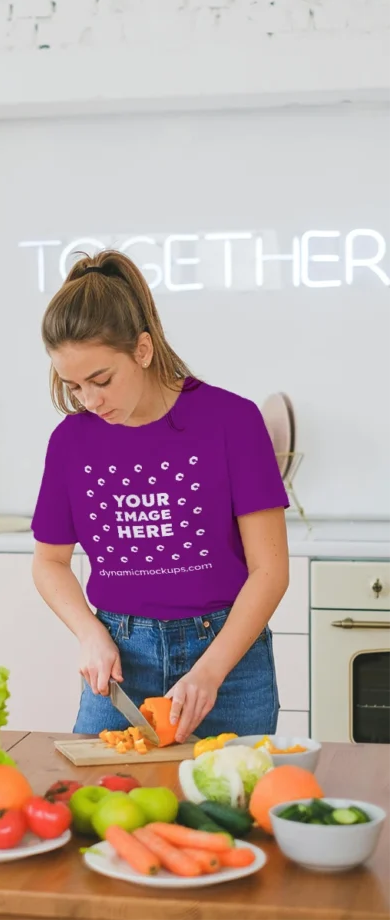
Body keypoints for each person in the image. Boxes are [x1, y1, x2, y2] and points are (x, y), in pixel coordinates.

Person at [31, 249, 289, 744]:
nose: (89, 400)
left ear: (143, 350)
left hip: (229, 660)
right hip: (123, 662)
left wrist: (210, 672)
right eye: (74, 385)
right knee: (103, 810)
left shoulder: (231, 421)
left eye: (101, 380)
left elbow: (270, 570)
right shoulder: (71, 442)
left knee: (228, 811)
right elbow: (50, 563)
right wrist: (89, 633)